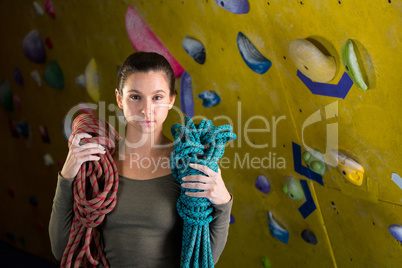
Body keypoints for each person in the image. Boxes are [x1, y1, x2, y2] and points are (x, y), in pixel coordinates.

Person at [49, 51, 233, 267]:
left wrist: (222, 203)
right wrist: (67, 176)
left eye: (157, 97)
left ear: (171, 100)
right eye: (135, 97)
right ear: (119, 99)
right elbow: (62, 250)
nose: (147, 110)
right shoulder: (98, 163)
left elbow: (202, 259)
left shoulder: (188, 166)